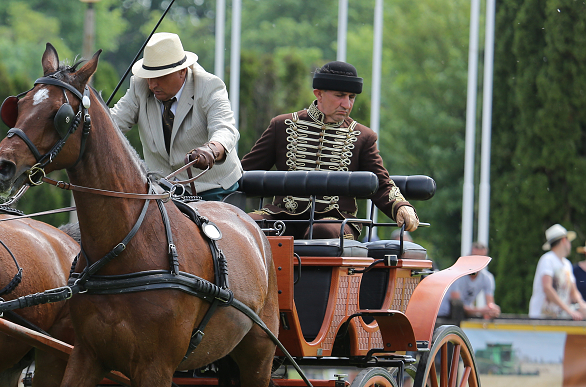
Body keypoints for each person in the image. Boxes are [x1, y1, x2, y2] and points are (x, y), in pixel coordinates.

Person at [240, 61, 419, 240]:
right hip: (283, 216)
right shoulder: (281, 126)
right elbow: (244, 172)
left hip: (338, 220)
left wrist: (401, 206)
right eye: (340, 95)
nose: (347, 104)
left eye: (351, 97)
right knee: (247, 225)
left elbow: (380, 182)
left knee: (322, 231)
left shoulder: (363, 136)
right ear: (319, 94)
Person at [109, 32, 242, 202]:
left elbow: (225, 129)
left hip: (212, 187)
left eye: (160, 76)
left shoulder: (209, 86)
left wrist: (211, 150)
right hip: (162, 189)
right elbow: (112, 123)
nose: (152, 84)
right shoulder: (139, 86)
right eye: (149, 76)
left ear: (182, 71)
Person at [528, 225, 586, 387]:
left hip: (559, 319)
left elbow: (572, 290)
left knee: (559, 360)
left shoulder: (566, 264)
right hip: (544, 319)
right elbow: (547, 288)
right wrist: (570, 309)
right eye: (568, 240)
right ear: (563, 241)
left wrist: (580, 303)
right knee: (547, 362)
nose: (570, 244)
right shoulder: (548, 260)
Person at [437, 242, 501, 321]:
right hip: (443, 317)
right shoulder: (457, 276)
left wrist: (493, 310)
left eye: (482, 258)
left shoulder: (487, 278)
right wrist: (481, 311)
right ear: (468, 256)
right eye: (475, 257)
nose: (478, 262)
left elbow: (490, 303)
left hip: (462, 317)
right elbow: (457, 306)